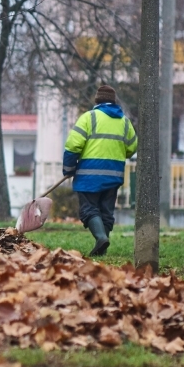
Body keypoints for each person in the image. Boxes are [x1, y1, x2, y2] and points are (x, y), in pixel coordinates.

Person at [63, 84, 137, 256]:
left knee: (89, 209)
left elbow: (73, 146)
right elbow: (132, 148)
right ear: (113, 101)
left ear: (97, 100)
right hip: (114, 174)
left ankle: (101, 238)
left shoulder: (89, 118)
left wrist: (68, 168)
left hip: (89, 175)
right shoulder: (125, 122)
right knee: (106, 210)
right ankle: (102, 247)